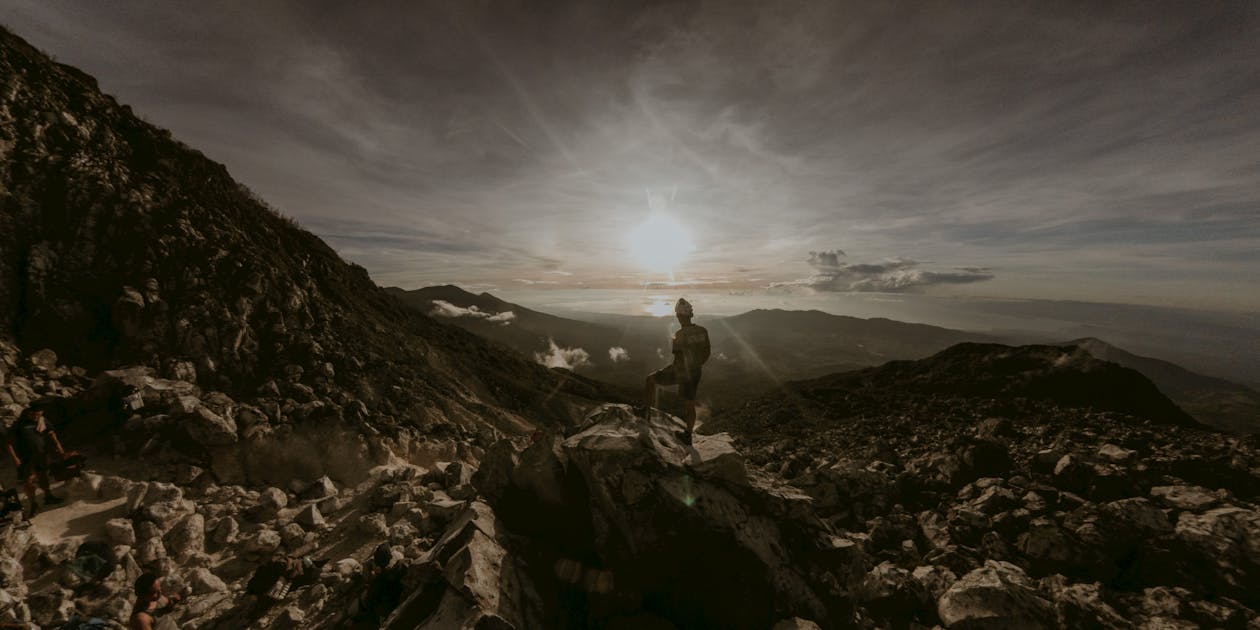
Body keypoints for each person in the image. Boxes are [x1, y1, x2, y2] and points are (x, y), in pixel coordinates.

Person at [643, 298, 711, 443]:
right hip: (696, 372)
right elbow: (707, 352)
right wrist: (696, 365)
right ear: (691, 315)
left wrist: (670, 370)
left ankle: (646, 414)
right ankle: (688, 434)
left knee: (650, 379)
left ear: (679, 316)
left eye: (678, 315)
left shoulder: (679, 335)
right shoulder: (703, 331)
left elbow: (678, 360)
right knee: (690, 403)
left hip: (681, 372)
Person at [6, 406, 65, 519]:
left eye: (39, 415)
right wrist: (15, 459)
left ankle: (48, 496)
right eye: (34, 415)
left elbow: (51, 434)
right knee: (28, 480)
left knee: (42, 475)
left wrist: (59, 447)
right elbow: (9, 443)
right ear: (29, 413)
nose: (36, 417)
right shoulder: (19, 424)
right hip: (24, 457)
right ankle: (33, 503)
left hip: (40, 454)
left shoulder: (43, 421)